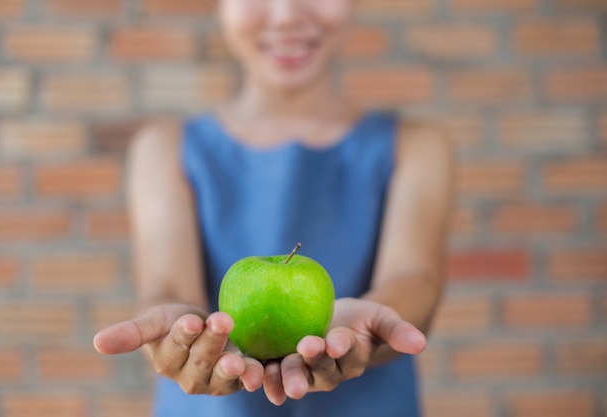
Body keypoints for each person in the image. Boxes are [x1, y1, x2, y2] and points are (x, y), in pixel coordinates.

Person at [93, 0, 455, 416]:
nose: (285, 15)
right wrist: (180, 333)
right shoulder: (164, 149)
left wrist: (372, 326)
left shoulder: (416, 146)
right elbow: (167, 288)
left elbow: (415, 277)